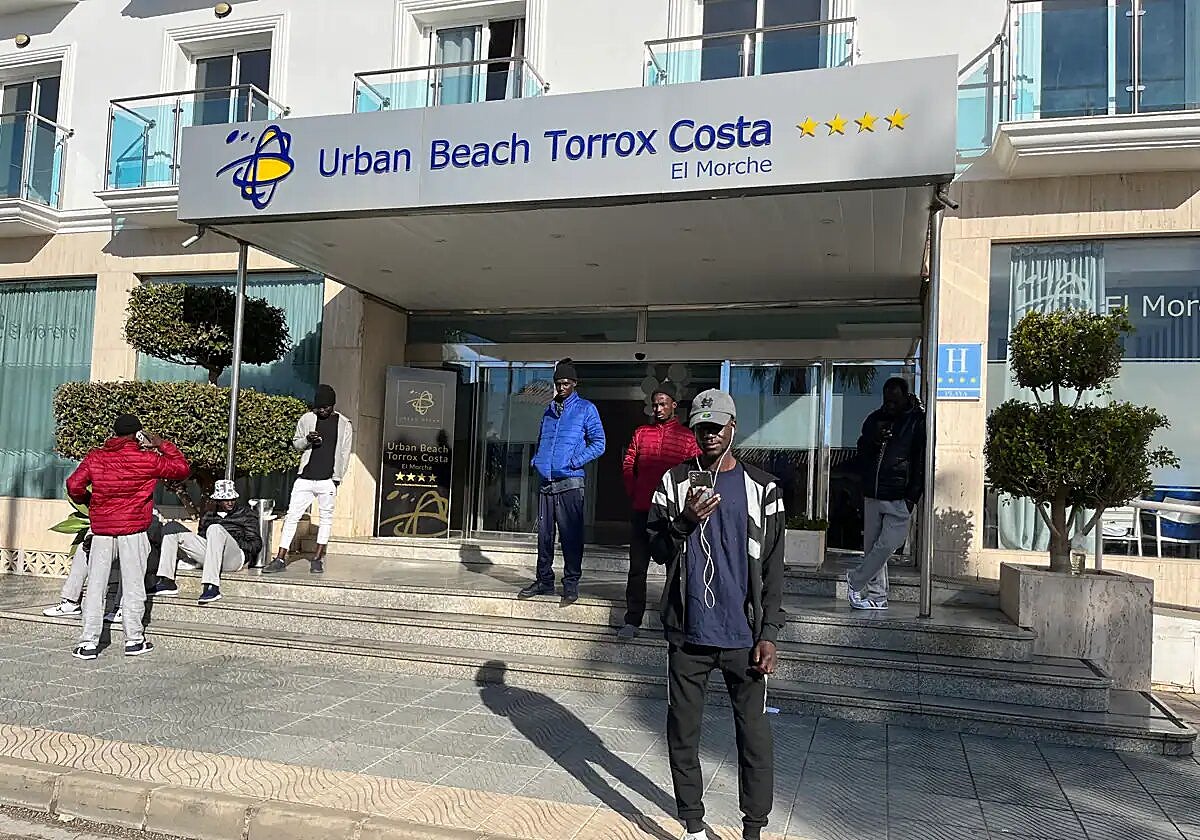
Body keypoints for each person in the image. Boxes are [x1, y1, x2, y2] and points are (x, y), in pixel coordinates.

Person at [647, 389, 783, 840]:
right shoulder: (673, 483)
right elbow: (656, 548)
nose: (708, 435)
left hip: (744, 637)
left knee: (754, 737)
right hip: (689, 634)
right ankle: (692, 825)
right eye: (701, 427)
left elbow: (773, 568)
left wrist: (769, 631)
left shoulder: (763, 489)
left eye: (716, 427)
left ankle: (753, 828)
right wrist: (684, 520)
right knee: (683, 734)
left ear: (732, 428)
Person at [65, 414, 190, 661]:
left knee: (95, 587)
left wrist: (89, 502)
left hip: (102, 531)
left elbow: (73, 485)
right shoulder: (147, 459)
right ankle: (134, 640)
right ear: (137, 434)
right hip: (133, 531)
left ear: (115, 433)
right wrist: (161, 444)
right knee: (133, 586)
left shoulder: (96, 457)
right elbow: (181, 469)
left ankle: (88, 643)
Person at [618, 382, 700, 640]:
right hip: (643, 510)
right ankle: (632, 620)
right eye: (655, 404)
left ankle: (674, 623)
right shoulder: (642, 433)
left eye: (663, 404)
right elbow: (628, 463)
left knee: (674, 571)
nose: (658, 409)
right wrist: (634, 491)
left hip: (671, 514)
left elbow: (698, 469)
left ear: (674, 405)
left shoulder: (687, 438)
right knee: (637, 568)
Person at [520, 358, 605, 605]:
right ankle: (544, 580)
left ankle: (570, 584)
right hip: (546, 481)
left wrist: (574, 462)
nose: (562, 387)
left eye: (566, 383)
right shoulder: (549, 411)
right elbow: (542, 439)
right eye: (558, 383)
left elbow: (599, 443)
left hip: (570, 482)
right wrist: (537, 460)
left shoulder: (586, 409)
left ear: (575, 383)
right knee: (544, 536)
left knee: (571, 536)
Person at [847, 377, 926, 611]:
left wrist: (912, 497)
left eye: (895, 400)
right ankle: (877, 596)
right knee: (872, 548)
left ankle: (856, 579)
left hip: (899, 496)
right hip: (872, 492)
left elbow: (921, 461)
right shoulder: (874, 419)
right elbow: (861, 451)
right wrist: (874, 439)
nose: (890, 404)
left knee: (888, 544)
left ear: (905, 397)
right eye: (887, 399)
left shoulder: (916, 422)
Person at [264, 384, 353, 576]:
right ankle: (280, 558)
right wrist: (307, 440)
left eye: (325, 407)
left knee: (326, 518)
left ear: (333, 405)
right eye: (318, 407)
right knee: (291, 517)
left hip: (327, 479)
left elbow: (345, 454)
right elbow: (297, 444)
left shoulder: (344, 424)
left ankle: (317, 558)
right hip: (305, 477)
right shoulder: (307, 419)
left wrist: (337, 479)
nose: (322, 411)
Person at [149, 479, 263, 604]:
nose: (230, 502)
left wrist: (231, 540)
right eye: (225, 499)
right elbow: (202, 539)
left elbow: (256, 544)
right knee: (171, 527)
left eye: (232, 499)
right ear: (217, 500)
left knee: (215, 529)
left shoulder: (246, 514)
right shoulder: (208, 515)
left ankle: (211, 586)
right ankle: (166, 581)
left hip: (235, 558)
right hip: (212, 555)